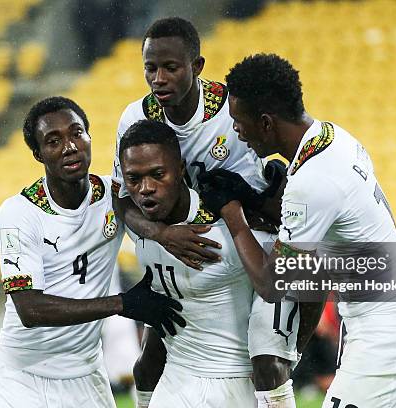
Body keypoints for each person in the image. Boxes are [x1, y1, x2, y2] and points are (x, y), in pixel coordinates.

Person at [198, 54, 396, 408]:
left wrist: (232, 213)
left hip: (389, 333)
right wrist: (252, 198)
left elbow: (272, 285)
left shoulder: (312, 181)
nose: (236, 131)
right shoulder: (334, 138)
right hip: (378, 322)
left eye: (239, 121)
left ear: (265, 123)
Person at [111, 18, 303, 407]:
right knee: (150, 359)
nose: (158, 78)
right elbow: (121, 199)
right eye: (150, 68)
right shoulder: (135, 119)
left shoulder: (233, 111)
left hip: (239, 242)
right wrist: (160, 234)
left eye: (171, 67)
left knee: (264, 359)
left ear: (197, 66)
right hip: (174, 244)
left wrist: (251, 212)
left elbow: (272, 191)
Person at [0, 96, 185, 408]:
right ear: (38, 154)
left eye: (76, 133)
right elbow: (30, 309)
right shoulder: (18, 213)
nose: (69, 146)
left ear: (90, 137)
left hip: (87, 375)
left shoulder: (114, 196)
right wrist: (123, 304)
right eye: (53, 141)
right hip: (23, 377)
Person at [120, 119, 282, 407]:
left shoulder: (233, 227)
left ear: (181, 168)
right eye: (134, 179)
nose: (146, 188)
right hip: (174, 384)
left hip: (237, 388)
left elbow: (304, 274)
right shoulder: (137, 228)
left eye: (158, 174)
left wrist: (281, 364)